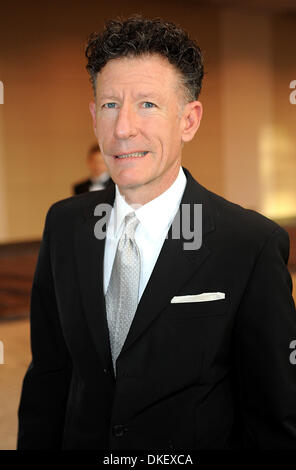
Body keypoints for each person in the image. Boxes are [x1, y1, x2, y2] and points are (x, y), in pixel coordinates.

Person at [17, 15, 296, 450]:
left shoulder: (249, 243)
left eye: (147, 104)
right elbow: (49, 377)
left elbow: (272, 414)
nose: (123, 127)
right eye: (110, 105)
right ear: (94, 117)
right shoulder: (64, 225)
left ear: (188, 120)